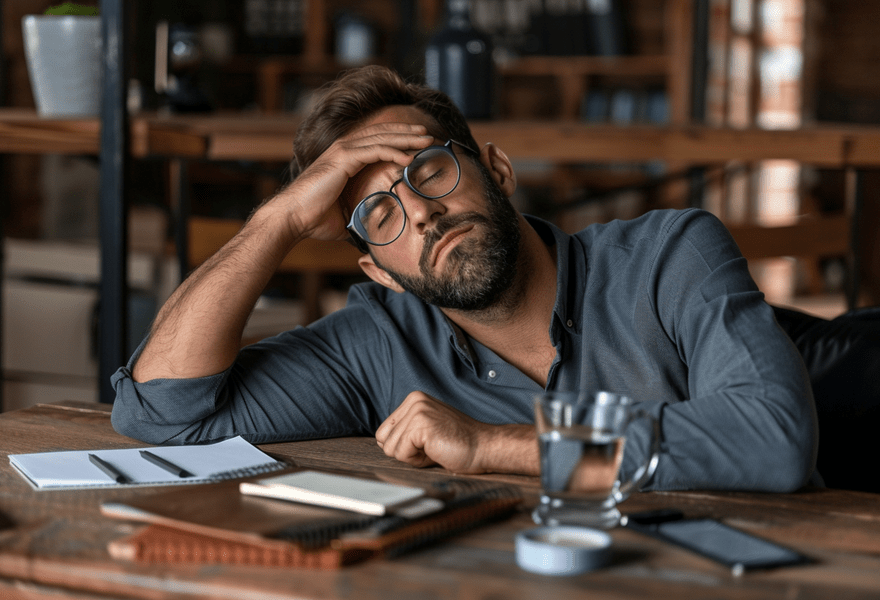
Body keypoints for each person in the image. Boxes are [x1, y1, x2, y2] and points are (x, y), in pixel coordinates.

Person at [111, 65, 817, 492]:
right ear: (375, 270)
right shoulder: (379, 342)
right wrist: (281, 222)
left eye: (431, 171)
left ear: (498, 171)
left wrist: (490, 446)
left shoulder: (670, 254)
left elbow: (772, 441)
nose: (420, 215)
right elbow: (162, 413)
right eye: (380, 213)